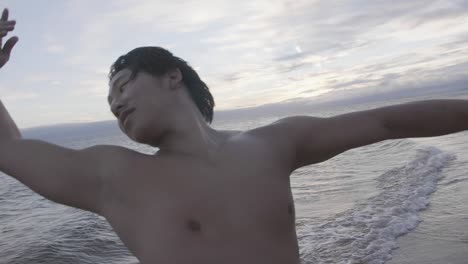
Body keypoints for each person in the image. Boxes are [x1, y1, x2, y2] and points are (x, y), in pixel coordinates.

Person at [1, 8, 467, 264]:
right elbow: (9, 148)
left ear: (171, 76)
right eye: (110, 102)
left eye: (123, 86)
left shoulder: (270, 144)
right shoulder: (114, 175)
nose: (116, 104)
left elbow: (390, 122)